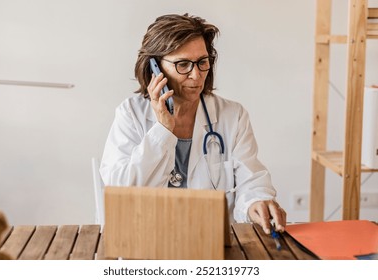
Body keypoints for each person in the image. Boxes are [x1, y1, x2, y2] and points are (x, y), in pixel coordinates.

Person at [100, 13, 286, 234]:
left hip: (209, 241)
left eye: (202, 62)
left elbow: (251, 179)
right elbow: (121, 191)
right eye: (183, 64)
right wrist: (162, 130)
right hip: (145, 240)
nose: (196, 75)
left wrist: (257, 202)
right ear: (155, 68)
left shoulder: (232, 115)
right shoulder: (131, 114)